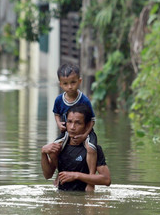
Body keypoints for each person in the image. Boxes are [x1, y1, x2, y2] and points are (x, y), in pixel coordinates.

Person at [41, 104, 111, 191]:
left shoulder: (93, 150)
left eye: (78, 123)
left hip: (84, 200)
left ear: (87, 125)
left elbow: (106, 180)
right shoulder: (60, 147)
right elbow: (47, 175)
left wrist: (76, 175)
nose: (72, 127)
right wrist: (43, 153)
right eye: (69, 122)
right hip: (61, 199)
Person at [52, 63, 98, 191]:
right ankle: (59, 174)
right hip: (67, 133)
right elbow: (56, 114)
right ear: (60, 84)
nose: (70, 87)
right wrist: (58, 123)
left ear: (79, 81)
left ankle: (91, 179)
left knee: (91, 148)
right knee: (53, 149)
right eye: (65, 84)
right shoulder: (59, 100)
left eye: (73, 82)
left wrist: (84, 135)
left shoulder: (84, 100)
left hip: (86, 132)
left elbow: (92, 121)